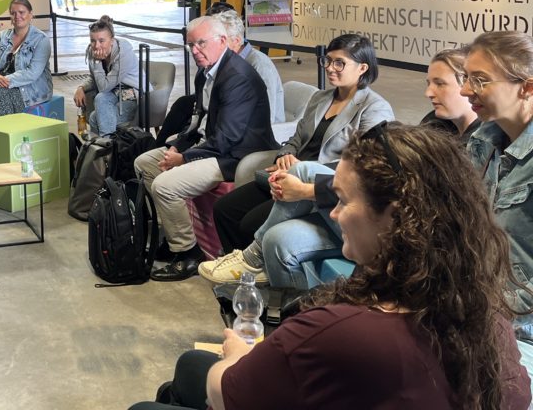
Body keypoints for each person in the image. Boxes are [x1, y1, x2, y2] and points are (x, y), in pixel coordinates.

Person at [129, 123, 532, 410]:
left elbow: (224, 394)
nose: (334, 213)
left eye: (341, 199)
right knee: (187, 369)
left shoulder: (336, 332)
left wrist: (235, 356)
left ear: (395, 216)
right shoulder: (485, 312)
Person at [202, 34, 392, 283]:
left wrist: (304, 167)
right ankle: (241, 279)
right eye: (328, 60)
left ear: (363, 68)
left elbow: (364, 164)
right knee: (225, 210)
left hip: (319, 186)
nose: (330, 68)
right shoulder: (321, 98)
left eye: (339, 63)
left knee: (249, 223)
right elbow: (296, 138)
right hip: (287, 173)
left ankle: (256, 273)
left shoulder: (374, 108)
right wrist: (286, 155)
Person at [134, 16, 276, 282]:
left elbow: (227, 138)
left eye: (201, 43)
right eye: (191, 45)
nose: (195, 50)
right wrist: (176, 147)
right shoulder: (206, 72)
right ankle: (175, 236)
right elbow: (198, 122)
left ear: (222, 41)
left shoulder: (238, 78)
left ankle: (187, 253)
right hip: (210, 146)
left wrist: (184, 158)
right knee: (145, 163)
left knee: (164, 185)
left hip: (238, 156)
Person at [462, 31, 533, 387]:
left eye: (480, 80)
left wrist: (485, 309)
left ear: (527, 87)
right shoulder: (482, 141)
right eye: (465, 78)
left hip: (521, 327)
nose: (465, 90)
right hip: (481, 307)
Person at [153, 4, 283, 146]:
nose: (216, 46)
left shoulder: (259, 65)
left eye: (222, 40)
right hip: (219, 130)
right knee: (183, 105)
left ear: (235, 41)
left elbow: (265, 118)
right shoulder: (216, 63)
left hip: (245, 139)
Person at [0, 0, 52, 116]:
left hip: (31, 89)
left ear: (30, 14)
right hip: (2, 84)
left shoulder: (41, 39)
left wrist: (0, 81)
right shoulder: (2, 36)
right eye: (13, 13)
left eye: (21, 12)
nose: (17, 16)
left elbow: (32, 73)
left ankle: (5, 127)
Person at [74, 15, 142, 136]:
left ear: (112, 40)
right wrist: (81, 88)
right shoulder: (92, 51)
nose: (96, 46)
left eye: (101, 41)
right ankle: (107, 144)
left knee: (94, 118)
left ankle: (106, 144)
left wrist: (97, 62)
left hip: (132, 96)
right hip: (112, 94)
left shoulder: (123, 53)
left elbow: (103, 87)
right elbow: (95, 78)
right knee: (100, 98)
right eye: (93, 41)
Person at [423, 46, 479, 140]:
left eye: (440, 84)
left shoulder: (488, 144)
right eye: (429, 84)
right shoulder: (434, 124)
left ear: (470, 85)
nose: (428, 93)